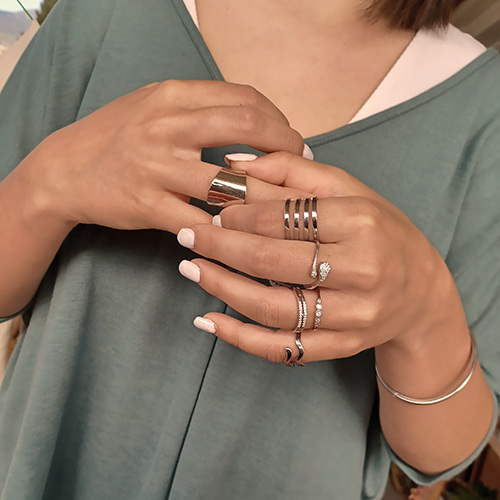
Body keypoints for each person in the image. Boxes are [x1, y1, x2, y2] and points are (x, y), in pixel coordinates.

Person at [0, 0, 499, 498]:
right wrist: (50, 183)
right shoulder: (112, 9)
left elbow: (441, 456)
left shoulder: (485, 112)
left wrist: (424, 310)